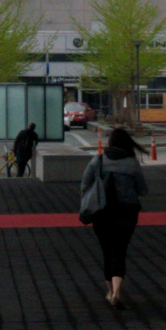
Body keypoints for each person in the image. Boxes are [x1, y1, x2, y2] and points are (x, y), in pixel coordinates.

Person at [81, 127, 148, 309]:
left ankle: (110, 292)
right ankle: (118, 292)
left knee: (107, 251)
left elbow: (84, 185)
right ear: (127, 143)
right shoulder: (132, 164)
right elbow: (143, 190)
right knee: (120, 250)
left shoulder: (98, 160)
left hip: (102, 213)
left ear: (110, 143)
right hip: (126, 213)